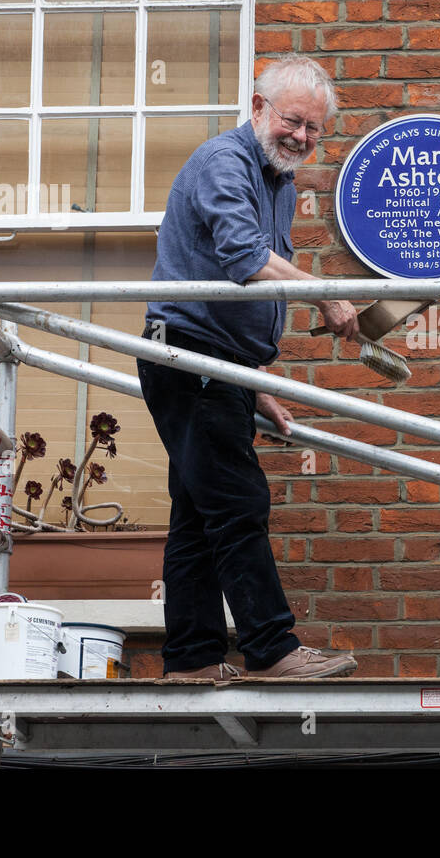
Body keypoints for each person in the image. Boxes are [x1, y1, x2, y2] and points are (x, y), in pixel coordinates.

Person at [137, 54, 361, 680]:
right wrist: (324, 293)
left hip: (216, 365)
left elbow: (233, 290)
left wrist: (254, 385)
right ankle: (271, 648)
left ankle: (191, 658)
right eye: (294, 121)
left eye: (316, 129)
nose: (303, 138)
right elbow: (242, 258)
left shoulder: (278, 184)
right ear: (258, 107)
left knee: (198, 512)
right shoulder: (224, 163)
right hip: (185, 356)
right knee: (238, 499)